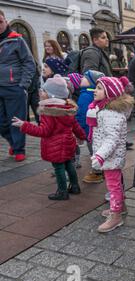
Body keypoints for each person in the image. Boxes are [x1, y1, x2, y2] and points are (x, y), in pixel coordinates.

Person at [11, 75, 86, 200]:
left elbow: (44, 131)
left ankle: (62, 192)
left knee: (58, 168)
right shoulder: (67, 108)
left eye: (44, 90)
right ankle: (75, 186)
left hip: (54, 146)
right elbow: (76, 126)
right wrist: (82, 136)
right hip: (68, 143)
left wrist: (25, 125)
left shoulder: (48, 111)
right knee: (69, 165)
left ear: (51, 95)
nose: (40, 92)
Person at [88, 76, 135, 233]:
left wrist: (100, 155)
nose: (95, 90)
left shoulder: (110, 113)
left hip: (111, 157)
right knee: (115, 184)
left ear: (110, 92)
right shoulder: (105, 109)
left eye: (100, 88)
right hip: (110, 156)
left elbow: (111, 138)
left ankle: (116, 216)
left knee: (113, 186)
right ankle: (120, 207)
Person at [0, 9, 36, 162]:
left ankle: (19, 148)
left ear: (5, 21)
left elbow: (29, 63)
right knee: (1, 123)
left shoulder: (17, 39)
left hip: (14, 87)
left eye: (0, 22)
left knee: (16, 120)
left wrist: (23, 84)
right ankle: (13, 143)